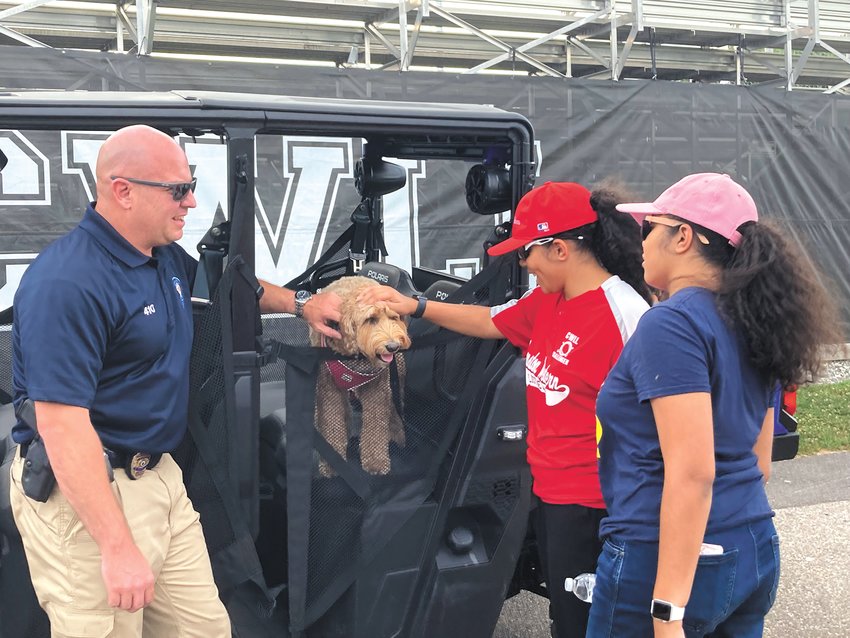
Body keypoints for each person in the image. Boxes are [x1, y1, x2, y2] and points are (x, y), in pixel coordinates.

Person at [8, 125, 341, 637]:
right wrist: (117, 547)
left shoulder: (160, 254)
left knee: (203, 628)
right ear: (123, 191)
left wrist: (303, 305)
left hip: (160, 478)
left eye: (193, 185)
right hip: (87, 494)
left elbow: (234, 290)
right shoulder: (67, 282)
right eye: (178, 190)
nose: (190, 202)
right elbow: (63, 426)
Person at [360, 181, 651, 638]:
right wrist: (415, 305)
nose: (523, 265)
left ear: (559, 249)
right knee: (568, 618)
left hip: (596, 504)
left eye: (525, 253)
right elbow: (491, 319)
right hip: (550, 491)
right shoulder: (548, 301)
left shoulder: (627, 316)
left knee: (595, 623)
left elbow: (659, 421)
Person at [589, 173, 840, 638]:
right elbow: (759, 462)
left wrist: (667, 612)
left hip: (666, 556)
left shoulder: (672, 324)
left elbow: (694, 471)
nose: (640, 241)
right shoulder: (757, 320)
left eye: (649, 227)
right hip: (753, 542)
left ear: (683, 236)